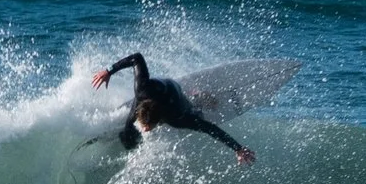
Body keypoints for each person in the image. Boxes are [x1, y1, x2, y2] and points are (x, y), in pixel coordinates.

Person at [91, 53, 254, 164]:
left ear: (160, 120)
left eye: (149, 127)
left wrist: (238, 148)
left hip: (174, 91)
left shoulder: (177, 117)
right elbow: (137, 58)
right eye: (145, 125)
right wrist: (108, 71)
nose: (147, 130)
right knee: (128, 127)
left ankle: (200, 97)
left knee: (195, 111)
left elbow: (209, 128)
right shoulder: (141, 88)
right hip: (151, 91)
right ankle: (127, 139)